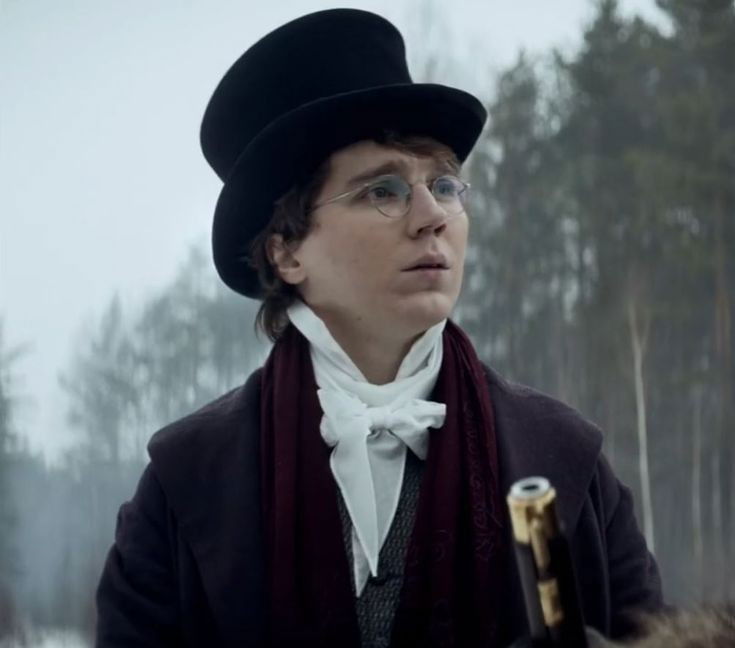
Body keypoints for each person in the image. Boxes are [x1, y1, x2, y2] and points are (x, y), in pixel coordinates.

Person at [95, 9, 663, 647]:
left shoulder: (565, 460)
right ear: (287, 250)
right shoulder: (186, 485)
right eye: (383, 191)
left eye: (444, 184)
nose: (431, 215)